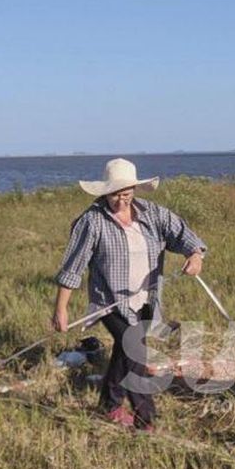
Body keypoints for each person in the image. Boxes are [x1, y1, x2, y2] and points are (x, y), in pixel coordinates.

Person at [54, 158, 207, 430]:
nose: (121, 200)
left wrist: (195, 255)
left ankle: (108, 405)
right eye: (115, 194)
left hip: (145, 299)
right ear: (105, 192)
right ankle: (144, 419)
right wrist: (61, 309)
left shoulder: (152, 214)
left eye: (126, 194)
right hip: (109, 302)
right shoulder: (92, 221)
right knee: (133, 349)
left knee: (125, 353)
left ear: (135, 190)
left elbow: (184, 235)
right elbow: (72, 267)